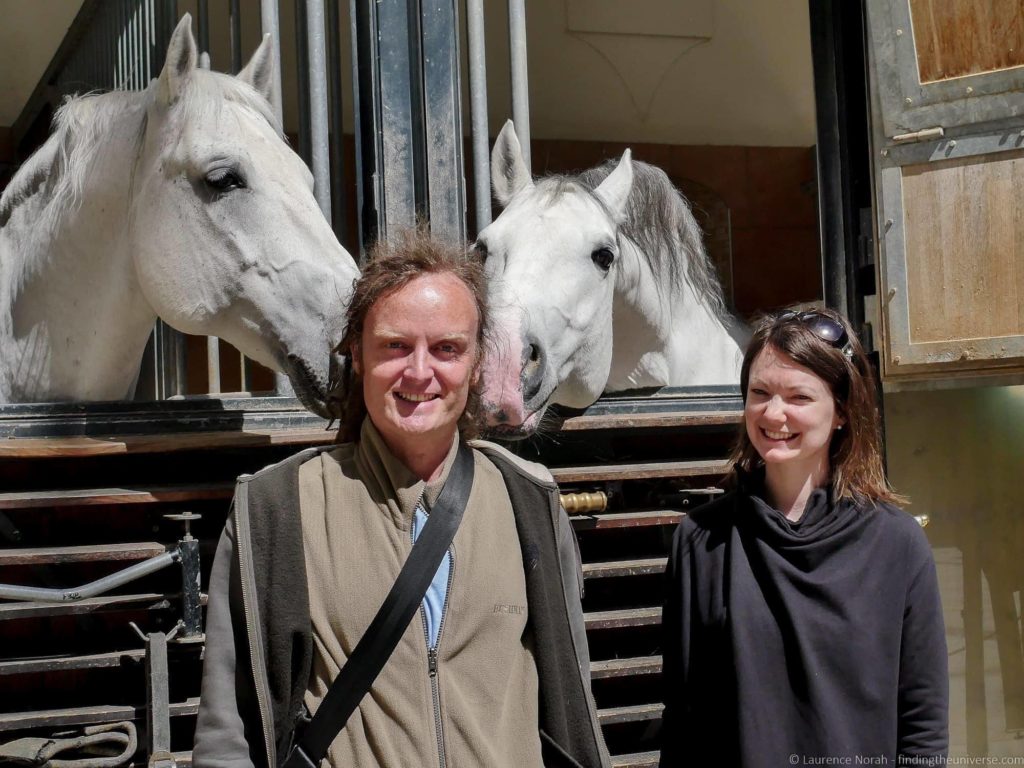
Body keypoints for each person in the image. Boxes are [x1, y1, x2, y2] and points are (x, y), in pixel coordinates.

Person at [192, 230, 610, 768]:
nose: (419, 372)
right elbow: (230, 735)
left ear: (477, 363)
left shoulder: (528, 501)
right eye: (394, 346)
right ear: (358, 356)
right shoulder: (276, 509)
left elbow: (572, 701)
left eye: (447, 349)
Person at [659, 308, 948, 767]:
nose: (774, 413)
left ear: (841, 413)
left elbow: (923, 726)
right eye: (760, 393)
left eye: (799, 396)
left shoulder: (897, 545)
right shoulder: (702, 541)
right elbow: (683, 721)